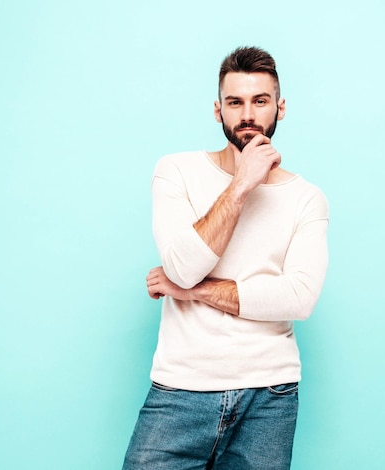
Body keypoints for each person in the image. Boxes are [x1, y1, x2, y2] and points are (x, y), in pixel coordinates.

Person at [123, 46, 329, 470]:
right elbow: (182, 265)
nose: (248, 114)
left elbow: (299, 297)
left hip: (269, 396)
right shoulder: (175, 171)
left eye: (260, 101)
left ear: (281, 108)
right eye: (235, 102)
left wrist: (192, 292)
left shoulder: (307, 198)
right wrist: (241, 185)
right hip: (181, 390)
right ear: (218, 111)